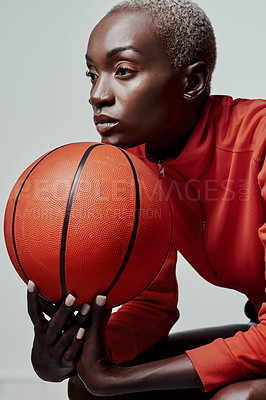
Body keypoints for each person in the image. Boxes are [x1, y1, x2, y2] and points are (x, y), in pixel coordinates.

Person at [27, 0, 266, 399]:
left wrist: (115, 379)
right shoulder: (134, 169)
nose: (97, 95)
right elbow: (153, 306)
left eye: (123, 71)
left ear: (192, 81)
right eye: (92, 74)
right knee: (84, 388)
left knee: (240, 398)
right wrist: (80, 352)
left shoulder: (258, 141)